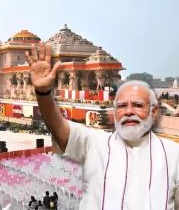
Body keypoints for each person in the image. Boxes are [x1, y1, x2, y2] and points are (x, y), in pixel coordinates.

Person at [25, 41, 179, 209]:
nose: (129, 112)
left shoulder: (173, 154)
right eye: (121, 106)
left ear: (154, 111)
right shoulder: (96, 143)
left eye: (138, 105)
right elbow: (58, 128)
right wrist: (43, 92)